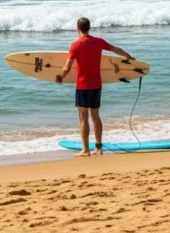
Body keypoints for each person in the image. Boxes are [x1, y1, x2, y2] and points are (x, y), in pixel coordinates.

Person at [55, 18, 135, 157]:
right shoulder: (99, 42)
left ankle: (85, 150)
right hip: (97, 85)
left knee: (83, 118)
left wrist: (60, 76)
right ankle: (98, 148)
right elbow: (117, 49)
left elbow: (67, 67)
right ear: (89, 28)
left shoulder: (75, 45)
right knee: (96, 117)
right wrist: (129, 57)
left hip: (83, 86)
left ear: (77, 29)